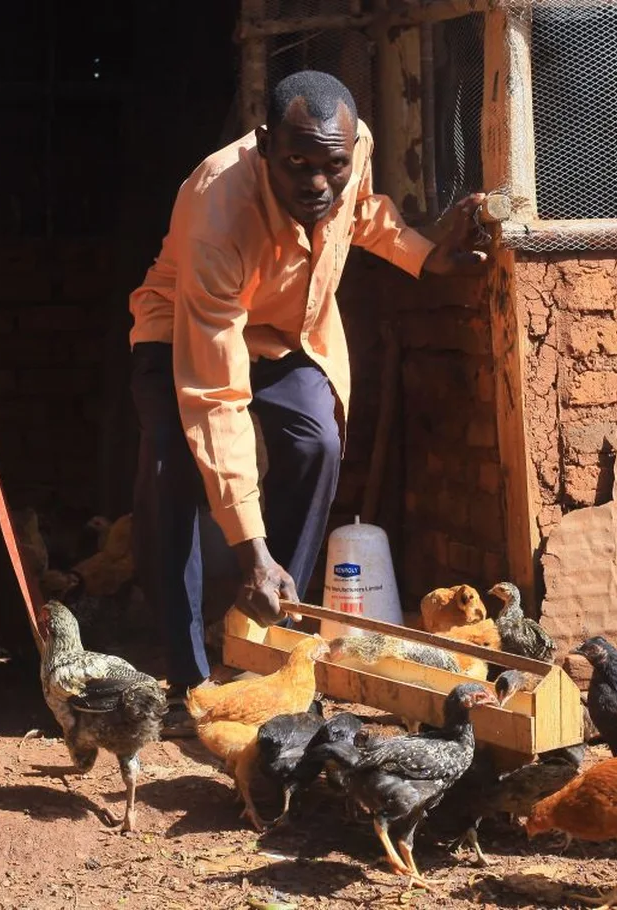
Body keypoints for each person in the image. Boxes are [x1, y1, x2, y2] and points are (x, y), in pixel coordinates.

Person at [128, 70, 486, 733]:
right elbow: (214, 393)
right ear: (265, 144)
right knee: (172, 468)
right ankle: (186, 675)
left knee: (316, 441)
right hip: (184, 327)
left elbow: (365, 213)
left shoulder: (352, 149)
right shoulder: (217, 208)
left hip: (290, 334)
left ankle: (268, 640)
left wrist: (427, 256)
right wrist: (249, 548)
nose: (316, 183)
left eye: (333, 166)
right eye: (296, 163)